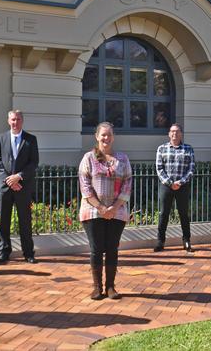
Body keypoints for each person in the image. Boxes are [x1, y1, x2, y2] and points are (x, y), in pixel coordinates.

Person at [78, 122, 132, 300]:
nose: (106, 138)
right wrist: (101, 208)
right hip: (93, 212)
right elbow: (85, 187)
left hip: (116, 212)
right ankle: (97, 287)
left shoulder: (122, 159)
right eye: (103, 135)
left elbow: (127, 184)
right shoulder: (88, 158)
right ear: (96, 136)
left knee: (112, 249)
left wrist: (113, 208)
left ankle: (110, 287)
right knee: (96, 249)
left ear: (113, 137)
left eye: (109, 135)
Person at [0, 110, 39, 264]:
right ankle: (4, 252)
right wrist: (9, 180)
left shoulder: (31, 140)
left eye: (18, 119)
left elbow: (33, 163)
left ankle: (28, 253)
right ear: (8, 121)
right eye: (13, 119)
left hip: (22, 187)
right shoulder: (0, 138)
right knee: (3, 222)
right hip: (4, 187)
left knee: (25, 221)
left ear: (22, 121)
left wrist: (18, 177)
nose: (15, 122)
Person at [154, 123, 196, 252]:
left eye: (177, 131)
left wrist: (180, 182)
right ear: (169, 134)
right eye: (172, 131)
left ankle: (186, 241)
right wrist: (169, 182)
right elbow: (159, 168)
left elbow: (192, 168)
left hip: (182, 186)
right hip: (166, 186)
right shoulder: (161, 148)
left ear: (181, 133)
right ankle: (160, 241)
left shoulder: (188, 149)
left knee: (183, 214)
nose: (174, 134)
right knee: (163, 214)